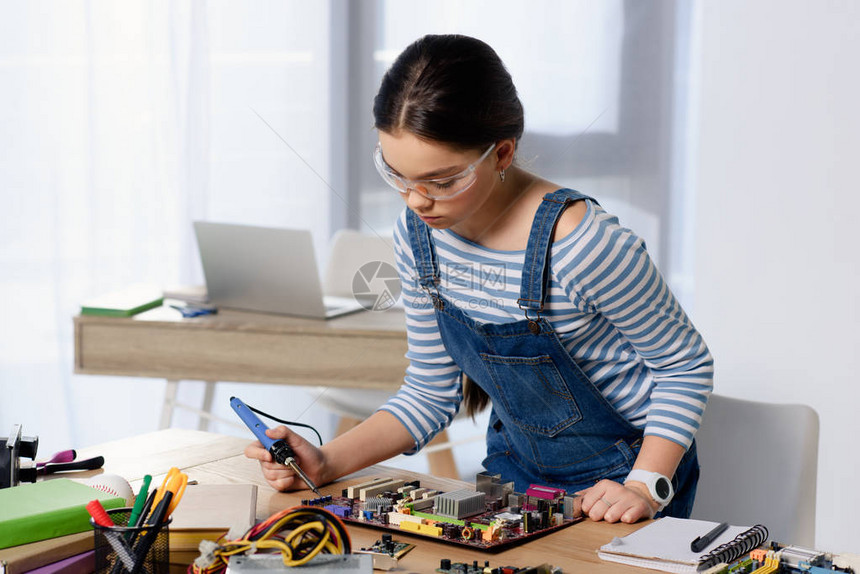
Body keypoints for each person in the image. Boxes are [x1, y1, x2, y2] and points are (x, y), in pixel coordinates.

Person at [244, 34, 713, 524]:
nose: (416, 200)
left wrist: (645, 485)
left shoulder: (583, 245)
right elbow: (431, 391)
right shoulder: (420, 235)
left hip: (623, 480)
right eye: (396, 174)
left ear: (503, 153)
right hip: (515, 473)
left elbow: (685, 366)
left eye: (443, 182)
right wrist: (325, 461)